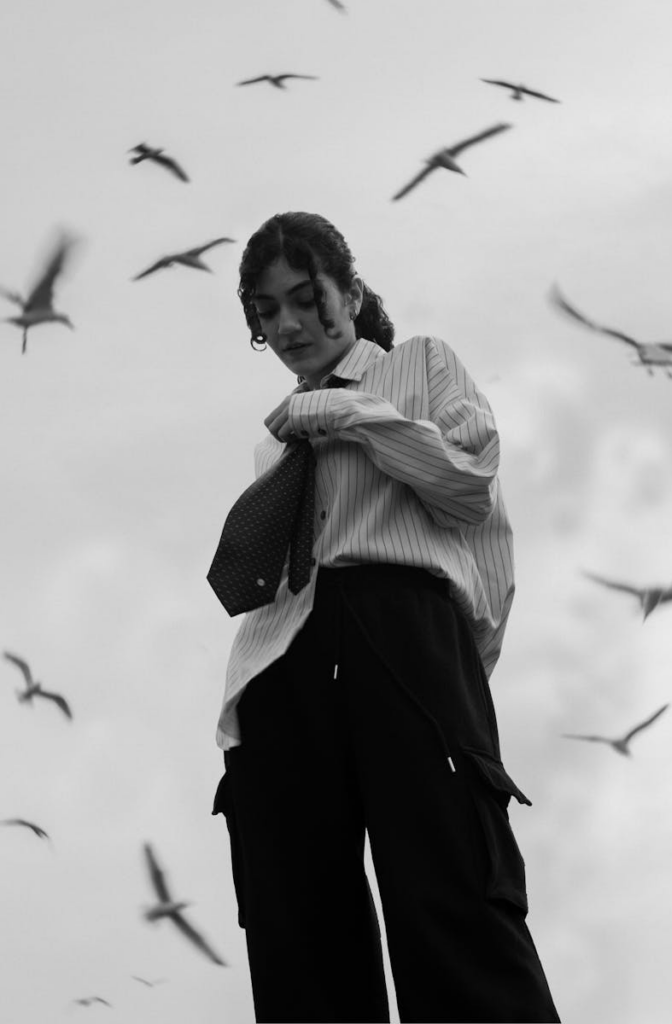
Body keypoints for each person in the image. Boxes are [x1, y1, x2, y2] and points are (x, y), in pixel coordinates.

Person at [210, 211, 560, 1024]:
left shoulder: (416, 368)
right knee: (295, 935)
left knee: (453, 905)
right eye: (268, 311)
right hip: (281, 668)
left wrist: (346, 414)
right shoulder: (278, 446)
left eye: (306, 297)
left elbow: (468, 485)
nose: (290, 322)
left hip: (404, 637)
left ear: (350, 294)